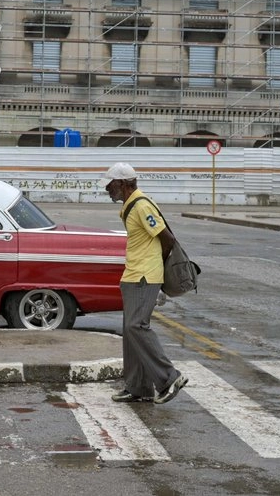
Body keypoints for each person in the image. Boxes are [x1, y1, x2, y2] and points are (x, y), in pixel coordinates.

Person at [100, 163, 188, 404]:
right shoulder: (132, 206)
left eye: (110, 185)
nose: (107, 190)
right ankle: (138, 387)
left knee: (136, 326)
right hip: (133, 275)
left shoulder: (141, 206)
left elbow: (168, 240)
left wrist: (153, 270)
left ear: (123, 184)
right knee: (130, 332)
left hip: (143, 277)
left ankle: (169, 378)